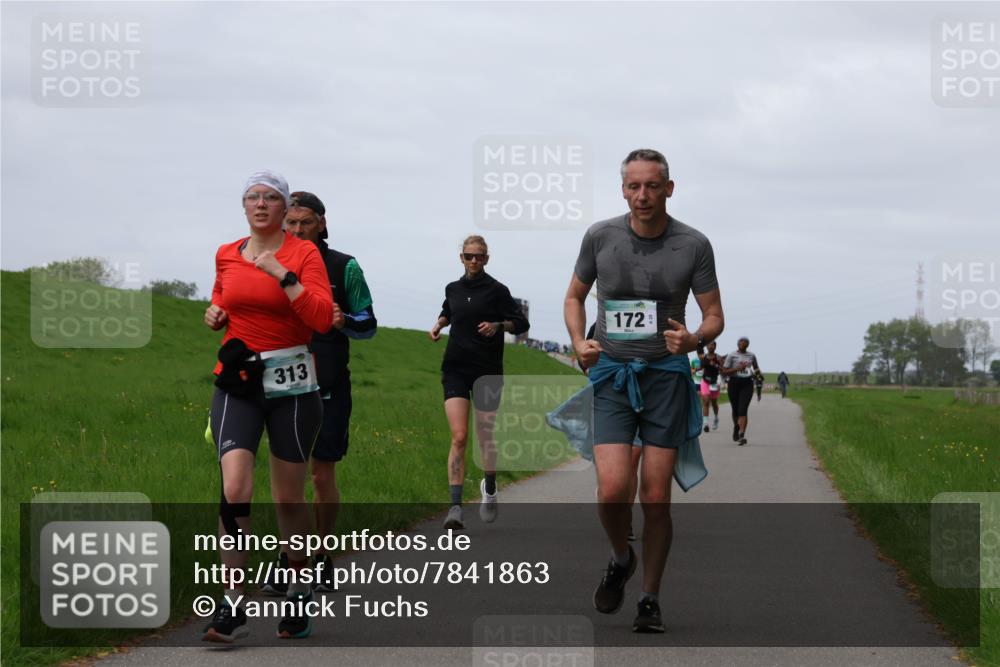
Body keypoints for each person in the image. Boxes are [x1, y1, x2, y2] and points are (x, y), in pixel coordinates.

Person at [564, 149, 723, 633]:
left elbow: (714, 314)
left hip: (665, 378)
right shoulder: (600, 236)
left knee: (655, 497)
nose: (642, 196)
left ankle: (650, 599)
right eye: (633, 186)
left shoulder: (693, 244)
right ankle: (620, 558)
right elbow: (574, 296)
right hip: (612, 374)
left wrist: (694, 338)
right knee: (613, 489)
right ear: (622, 190)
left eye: (652, 186)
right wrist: (578, 343)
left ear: (669, 189)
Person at [201, 171, 339, 643]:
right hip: (238, 382)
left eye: (270, 197)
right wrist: (214, 313)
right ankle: (233, 600)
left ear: (285, 208)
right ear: (244, 207)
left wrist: (282, 275)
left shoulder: (304, 254)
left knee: (288, 498)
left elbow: (322, 317)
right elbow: (222, 299)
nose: (260, 204)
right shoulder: (226, 253)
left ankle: (299, 590)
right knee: (235, 486)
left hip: (293, 388)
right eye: (252, 197)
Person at [259, 191, 377, 595]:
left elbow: (369, 323)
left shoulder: (344, 267)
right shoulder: (268, 262)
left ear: (322, 224)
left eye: (304, 222)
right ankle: (289, 559)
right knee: (287, 479)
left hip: (327, 385)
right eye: (290, 223)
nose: (295, 230)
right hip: (280, 383)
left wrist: (345, 320)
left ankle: (323, 558)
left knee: (320, 474)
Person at [430, 235, 529, 530]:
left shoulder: (498, 291)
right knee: (459, 437)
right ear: (461, 258)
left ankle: (490, 488)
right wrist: (439, 324)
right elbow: (449, 309)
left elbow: (521, 324)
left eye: (479, 256)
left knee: (484, 436)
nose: (474, 261)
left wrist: (499, 325)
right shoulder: (453, 288)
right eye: (469, 256)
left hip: (487, 371)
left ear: (487, 258)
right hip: (456, 368)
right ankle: (456, 508)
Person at [721, 336, 761, 446]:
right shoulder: (732, 355)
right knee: (735, 410)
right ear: (738, 344)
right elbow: (724, 371)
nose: (743, 344)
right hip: (734, 383)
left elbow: (756, 368)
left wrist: (759, 376)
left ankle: (742, 435)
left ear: (748, 345)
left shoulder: (751, 355)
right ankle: (736, 427)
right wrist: (737, 369)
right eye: (741, 342)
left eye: (746, 343)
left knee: (743, 409)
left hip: (747, 383)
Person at [698, 341, 722, 431]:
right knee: (706, 401)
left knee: (714, 403)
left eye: (712, 345)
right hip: (705, 381)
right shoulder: (704, 357)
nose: (710, 346)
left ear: (715, 347)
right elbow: (701, 367)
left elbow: (723, 369)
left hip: (714, 382)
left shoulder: (718, 358)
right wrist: (694, 370)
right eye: (709, 345)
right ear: (707, 346)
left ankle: (716, 418)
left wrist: (715, 365)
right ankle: (705, 424)